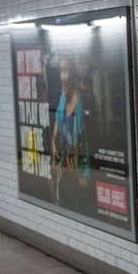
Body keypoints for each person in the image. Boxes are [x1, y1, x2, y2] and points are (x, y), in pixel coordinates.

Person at [50, 55, 90, 208]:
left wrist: (84, 177)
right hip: (64, 176)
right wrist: (53, 143)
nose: (63, 77)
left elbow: (89, 143)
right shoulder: (62, 97)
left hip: (78, 178)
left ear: (73, 75)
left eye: (66, 71)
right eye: (61, 71)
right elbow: (55, 128)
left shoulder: (82, 104)